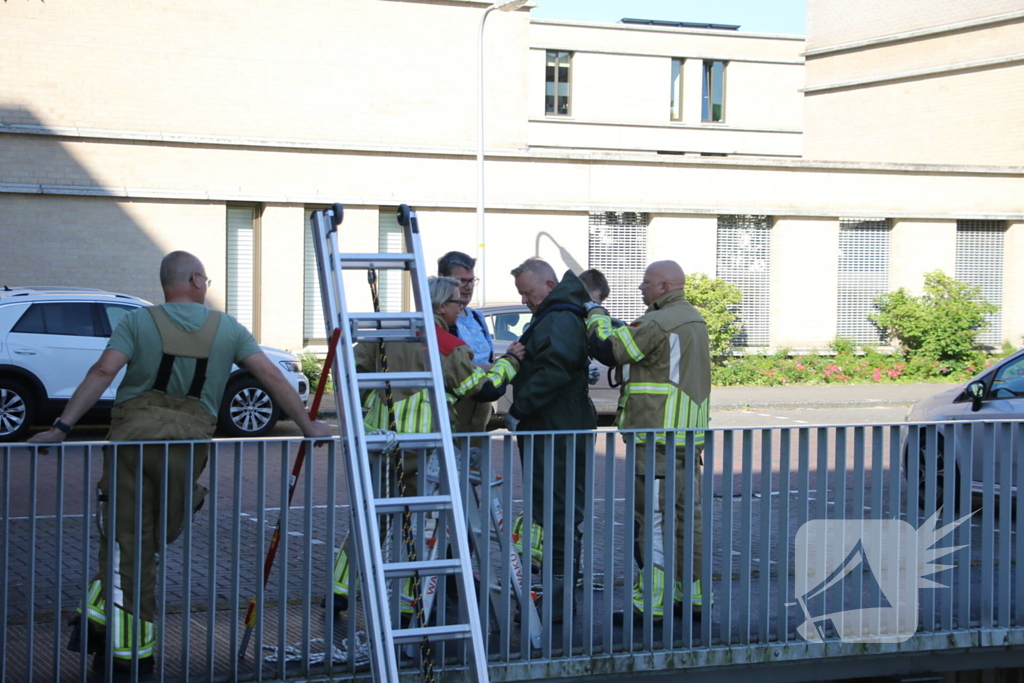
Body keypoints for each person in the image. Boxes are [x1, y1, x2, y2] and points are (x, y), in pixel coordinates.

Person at [27, 251, 331, 677]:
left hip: (132, 445)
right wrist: (306, 425)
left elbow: (101, 372)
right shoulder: (227, 328)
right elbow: (270, 376)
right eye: (205, 278)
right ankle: (110, 633)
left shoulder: (138, 322)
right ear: (193, 279)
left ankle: (123, 646)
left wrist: (61, 426)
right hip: (188, 449)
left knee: (128, 542)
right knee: (145, 543)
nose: (206, 284)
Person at [328, 277, 523, 617]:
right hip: (424, 450)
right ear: (441, 306)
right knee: (422, 526)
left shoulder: (386, 334)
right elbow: (484, 389)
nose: (460, 309)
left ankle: (341, 589)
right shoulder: (449, 346)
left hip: (379, 444)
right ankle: (408, 602)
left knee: (372, 518)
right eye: (456, 303)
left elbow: (352, 371)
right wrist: (512, 362)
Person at [584, 260, 711, 624]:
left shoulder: (658, 322)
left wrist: (595, 312)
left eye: (645, 283)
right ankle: (693, 596)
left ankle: (652, 603)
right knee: (689, 519)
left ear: (663, 286)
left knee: (653, 520)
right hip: (688, 438)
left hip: (657, 439)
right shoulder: (693, 319)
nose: (641, 288)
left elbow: (610, 350)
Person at [506, 258, 597, 622]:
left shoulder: (558, 317)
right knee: (554, 513)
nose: (525, 300)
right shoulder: (556, 313)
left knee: (557, 514)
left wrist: (520, 408)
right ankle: (556, 599)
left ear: (548, 284)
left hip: (555, 428)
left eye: (528, 292)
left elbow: (554, 370)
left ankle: (557, 603)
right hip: (554, 426)